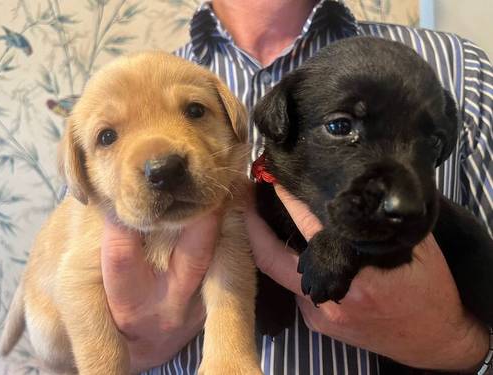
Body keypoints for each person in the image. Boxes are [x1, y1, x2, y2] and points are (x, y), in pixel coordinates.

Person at [100, 1, 493, 374]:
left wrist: (454, 344)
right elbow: (58, 319)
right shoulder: (125, 90)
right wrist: (128, 350)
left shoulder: (461, 69)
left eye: (195, 111)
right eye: (341, 126)